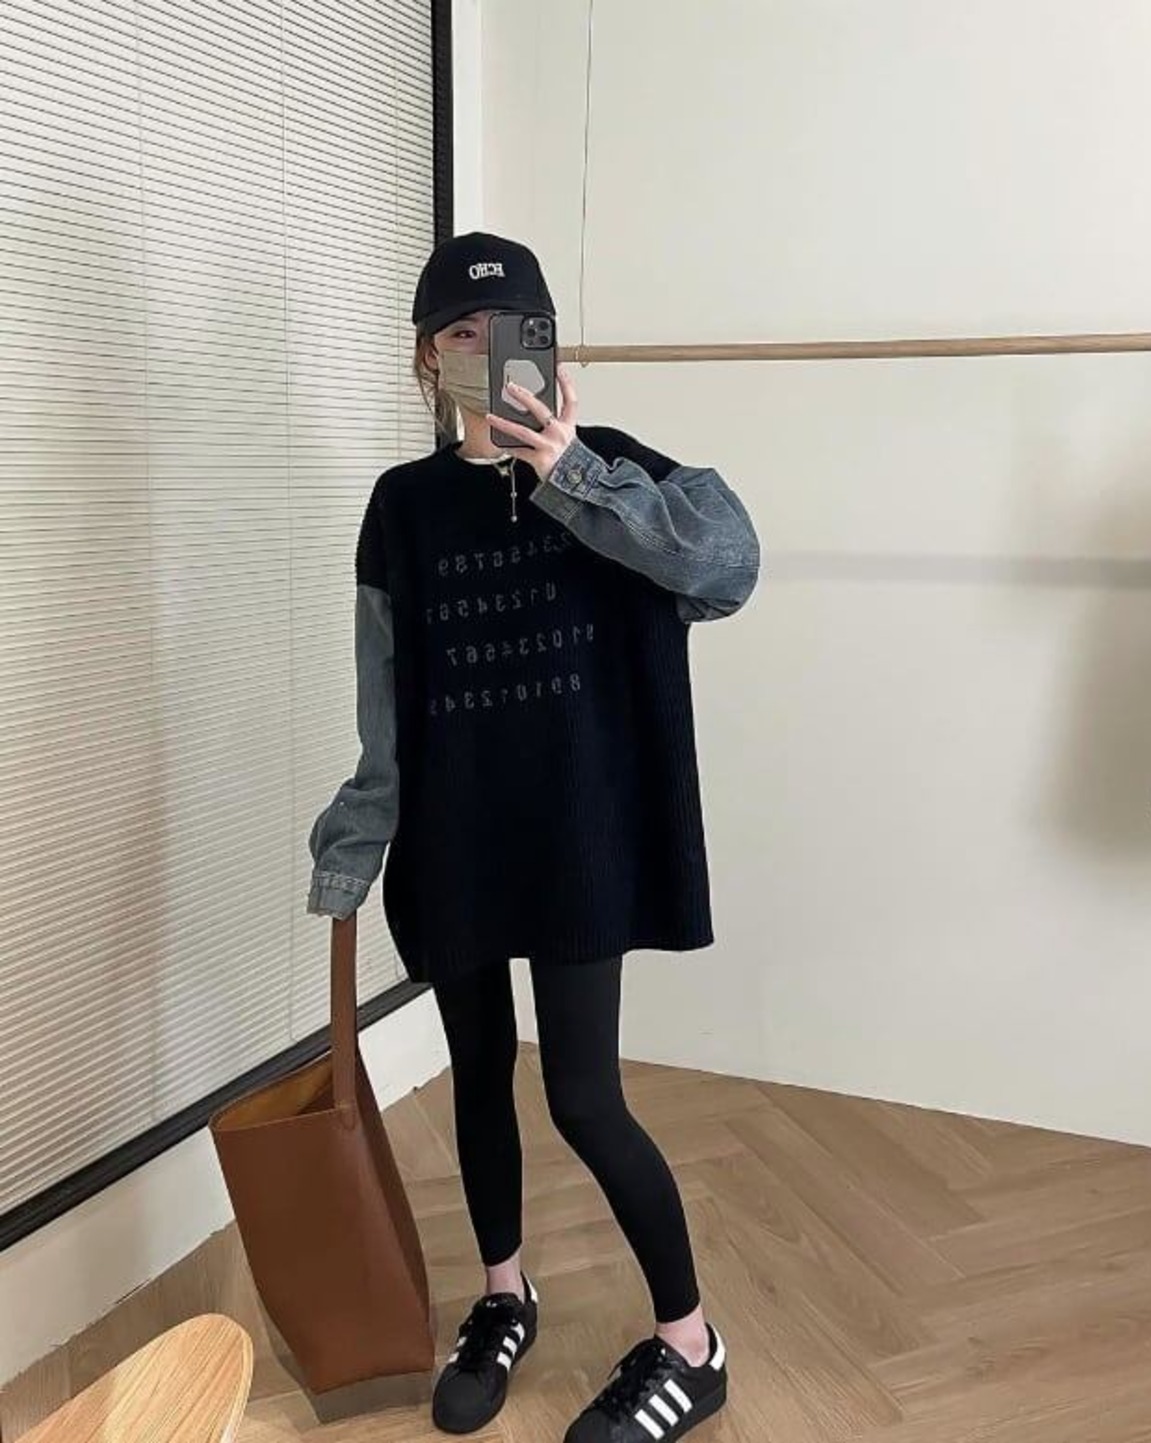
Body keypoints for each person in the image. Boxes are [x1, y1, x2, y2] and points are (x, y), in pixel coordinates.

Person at [306, 232, 760, 1443]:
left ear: (550, 349)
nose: (483, 351)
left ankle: (692, 1345)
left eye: (511, 330)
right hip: (453, 838)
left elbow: (727, 571)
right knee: (477, 1076)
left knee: (583, 1097)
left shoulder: (617, 473)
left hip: (577, 839)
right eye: (458, 333)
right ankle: (503, 1295)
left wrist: (572, 475)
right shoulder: (401, 508)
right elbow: (383, 699)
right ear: (425, 359)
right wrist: (354, 846)